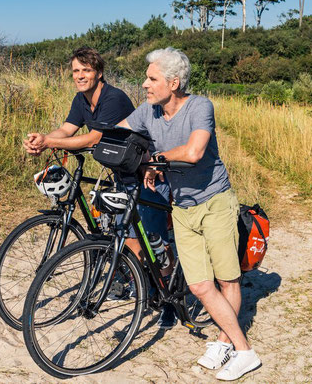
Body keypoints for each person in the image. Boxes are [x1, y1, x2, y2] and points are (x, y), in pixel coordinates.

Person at [118, 47, 261, 381]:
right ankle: (237, 346)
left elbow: (195, 151)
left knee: (227, 279)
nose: (144, 84)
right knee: (199, 285)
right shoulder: (149, 112)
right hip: (181, 208)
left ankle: (237, 347)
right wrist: (64, 141)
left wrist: (156, 160)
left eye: (151, 79)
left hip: (214, 202)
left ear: (174, 82)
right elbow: (114, 131)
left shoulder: (200, 106)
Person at [23, 46, 177, 327]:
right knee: (128, 238)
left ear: (99, 73)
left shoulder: (113, 99)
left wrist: (51, 142)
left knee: (154, 242)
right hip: (122, 174)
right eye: (75, 71)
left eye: (86, 70)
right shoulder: (81, 99)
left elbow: (94, 139)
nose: (80, 76)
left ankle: (169, 297)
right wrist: (43, 139)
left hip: (147, 175)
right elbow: (68, 129)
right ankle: (140, 281)